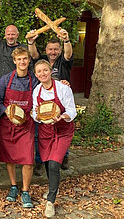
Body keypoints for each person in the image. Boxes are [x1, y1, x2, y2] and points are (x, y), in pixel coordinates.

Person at [31, 59, 76, 218]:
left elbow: (72, 110)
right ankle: (53, 188)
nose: (42, 74)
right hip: (45, 132)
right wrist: (37, 114)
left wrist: (62, 116)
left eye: (45, 70)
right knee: (48, 163)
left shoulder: (63, 88)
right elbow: (35, 115)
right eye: (39, 72)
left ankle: (50, 201)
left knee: (55, 164)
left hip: (62, 130)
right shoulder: (36, 91)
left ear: (51, 71)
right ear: (36, 75)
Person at [0, 47, 38, 208]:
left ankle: (25, 191)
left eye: (25, 59)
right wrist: (8, 111)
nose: (22, 62)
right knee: (9, 158)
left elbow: (42, 98)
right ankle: (13, 186)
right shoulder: (5, 80)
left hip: (26, 124)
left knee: (28, 159)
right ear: (14, 61)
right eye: (19, 59)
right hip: (7, 124)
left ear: (28, 60)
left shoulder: (35, 80)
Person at [28, 30, 73, 172]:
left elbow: (68, 53)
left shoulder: (63, 61)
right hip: (44, 102)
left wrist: (66, 40)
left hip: (61, 102)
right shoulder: (43, 61)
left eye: (55, 49)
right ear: (46, 50)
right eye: (50, 49)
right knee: (39, 134)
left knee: (62, 130)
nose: (53, 52)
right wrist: (30, 42)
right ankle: (40, 160)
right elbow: (33, 54)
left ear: (59, 50)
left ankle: (63, 156)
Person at [0, 0, 31, 88]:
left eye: (13, 34)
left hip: (16, 86)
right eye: (8, 34)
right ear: (5, 35)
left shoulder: (24, 49)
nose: (10, 37)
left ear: (17, 35)